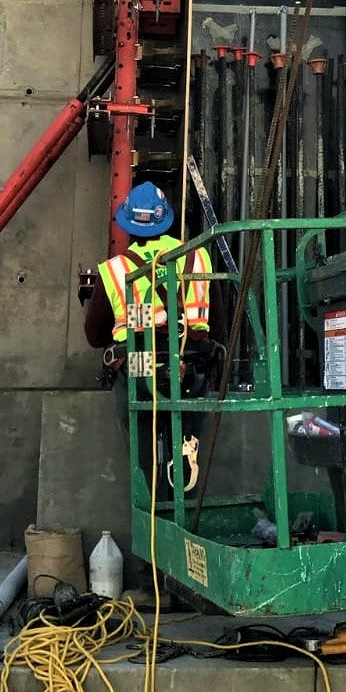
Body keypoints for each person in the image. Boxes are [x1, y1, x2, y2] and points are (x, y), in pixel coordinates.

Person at [83, 181, 223, 489]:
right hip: (190, 368)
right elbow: (218, 324)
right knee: (188, 458)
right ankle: (186, 507)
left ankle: (150, 505)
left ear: (128, 226)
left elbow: (94, 335)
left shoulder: (116, 270)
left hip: (139, 367)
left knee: (142, 458)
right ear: (167, 220)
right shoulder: (198, 259)